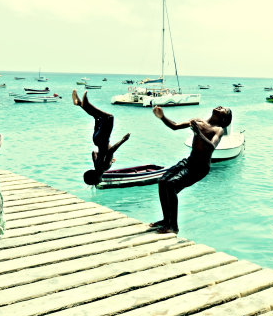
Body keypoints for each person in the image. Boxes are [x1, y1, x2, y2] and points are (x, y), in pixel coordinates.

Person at [150, 105, 232, 234]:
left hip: (200, 167)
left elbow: (211, 146)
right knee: (162, 182)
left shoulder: (219, 129)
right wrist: (162, 117)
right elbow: (175, 126)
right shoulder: (198, 121)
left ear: (224, 117)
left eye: (224, 109)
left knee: (171, 185)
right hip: (189, 161)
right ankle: (166, 220)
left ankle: (173, 226)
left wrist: (198, 133)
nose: (221, 107)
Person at [72, 90, 130, 186]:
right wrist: (105, 156)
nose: (99, 182)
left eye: (96, 182)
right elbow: (94, 153)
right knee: (97, 117)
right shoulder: (97, 166)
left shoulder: (104, 167)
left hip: (103, 139)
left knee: (109, 117)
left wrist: (123, 140)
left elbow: (111, 151)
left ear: (96, 178)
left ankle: (86, 104)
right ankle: (78, 103)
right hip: (96, 140)